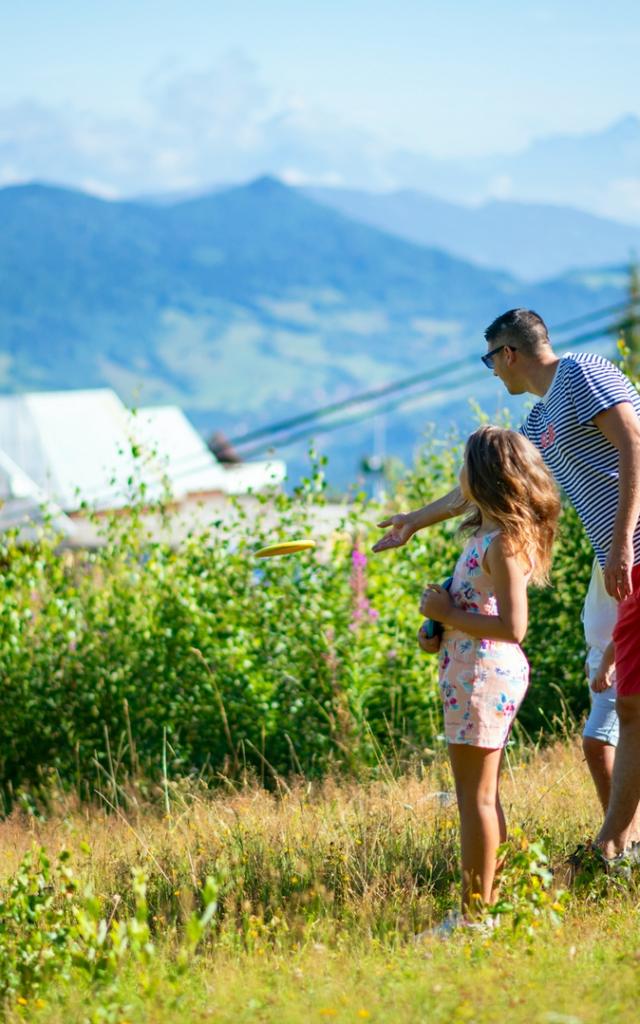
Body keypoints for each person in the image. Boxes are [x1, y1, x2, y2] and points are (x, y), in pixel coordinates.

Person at [374, 309, 640, 870]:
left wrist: (622, 543)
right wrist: (415, 520)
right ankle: (622, 848)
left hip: (629, 552)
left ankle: (611, 847)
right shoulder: (543, 419)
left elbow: (634, 443)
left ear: (509, 353)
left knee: (628, 709)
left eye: (490, 358)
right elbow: (486, 481)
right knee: (613, 717)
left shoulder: (584, 373)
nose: (492, 371)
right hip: (612, 564)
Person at [416, 426, 560, 933]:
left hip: (482, 674)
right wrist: (438, 625)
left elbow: (512, 628)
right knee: (482, 796)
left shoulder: (504, 544)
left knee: (473, 800)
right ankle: (487, 907)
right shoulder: (484, 536)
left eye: (464, 467)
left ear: (482, 476)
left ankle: (475, 917)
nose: (458, 477)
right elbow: (472, 609)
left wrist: (449, 614)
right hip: (468, 671)